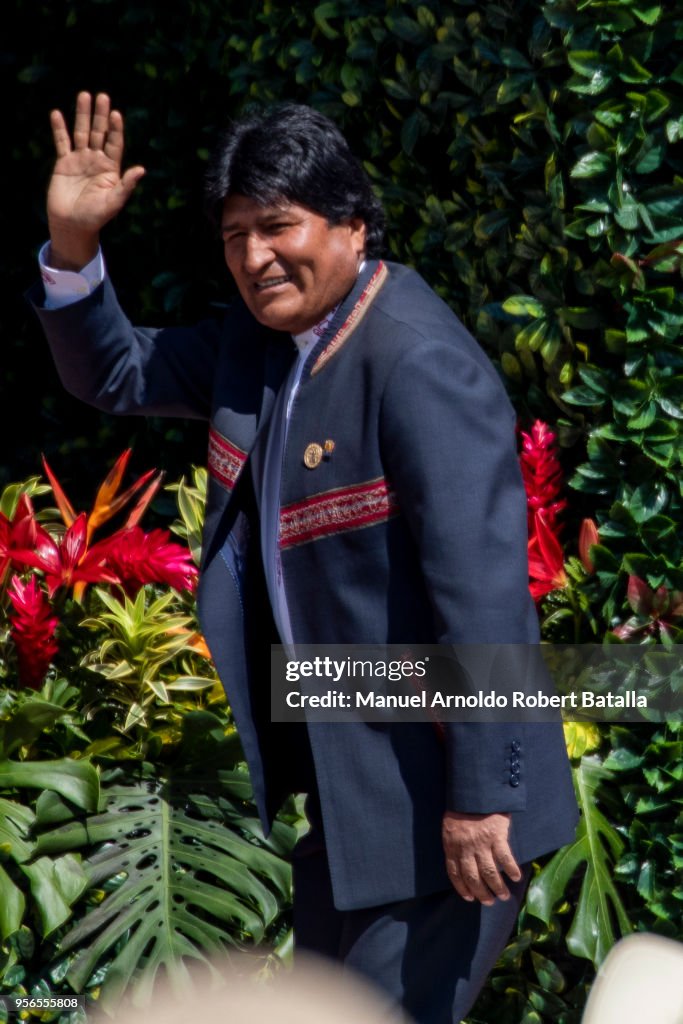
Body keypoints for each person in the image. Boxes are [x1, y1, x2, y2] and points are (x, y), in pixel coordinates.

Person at [29, 92, 578, 1024]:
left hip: (447, 803)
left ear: (353, 224)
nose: (253, 258)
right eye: (236, 233)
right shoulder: (264, 345)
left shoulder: (413, 364)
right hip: (350, 796)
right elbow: (119, 372)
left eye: (278, 226)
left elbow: (483, 599)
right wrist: (73, 248)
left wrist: (486, 802)